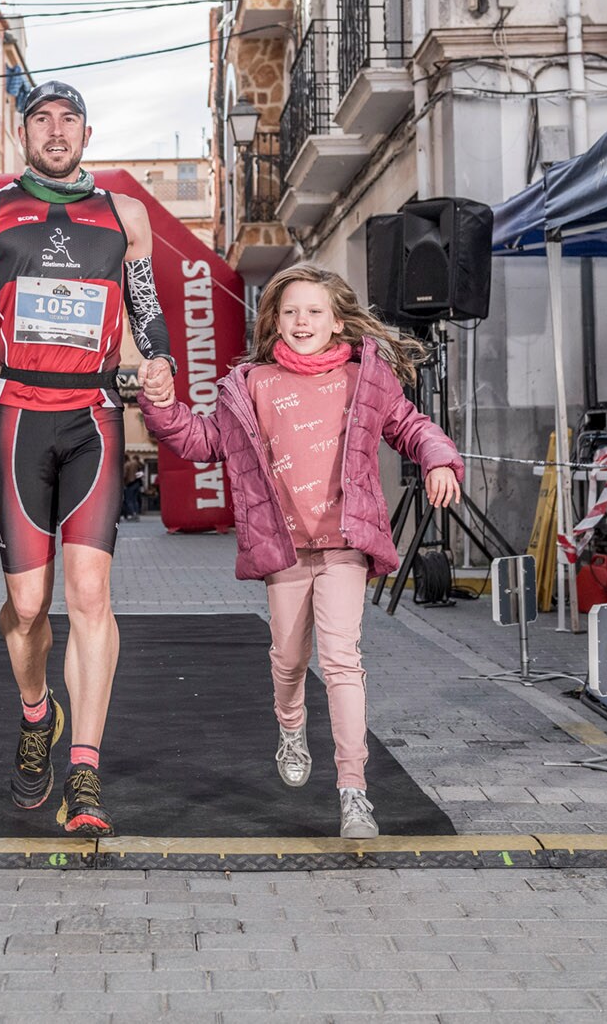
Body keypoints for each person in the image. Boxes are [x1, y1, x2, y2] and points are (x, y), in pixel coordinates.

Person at [0, 80, 178, 835]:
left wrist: (160, 359)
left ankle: (84, 772)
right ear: (24, 131)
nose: (55, 131)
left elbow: (146, 304)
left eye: (68, 120)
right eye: (41, 119)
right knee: (27, 608)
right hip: (20, 412)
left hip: (93, 413)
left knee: (91, 597)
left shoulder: (126, 214)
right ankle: (36, 715)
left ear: (88, 131)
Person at [140, 264, 464, 838]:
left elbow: (411, 427)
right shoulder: (253, 384)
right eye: (289, 311)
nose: (301, 321)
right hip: (283, 547)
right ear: (274, 321)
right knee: (289, 659)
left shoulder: (366, 378)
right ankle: (291, 725)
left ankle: (353, 792)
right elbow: (203, 439)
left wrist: (439, 458)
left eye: (314, 311)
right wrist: (161, 406)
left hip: (346, 542)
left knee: (342, 661)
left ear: (338, 320)